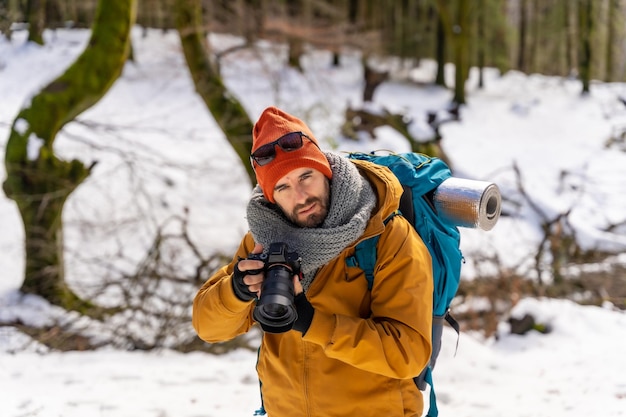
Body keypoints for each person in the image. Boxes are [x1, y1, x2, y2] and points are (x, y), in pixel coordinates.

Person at [192, 106, 434, 417]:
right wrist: (236, 291)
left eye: (306, 175)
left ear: (326, 171)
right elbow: (207, 326)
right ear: (271, 198)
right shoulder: (266, 237)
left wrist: (312, 323)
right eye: (283, 187)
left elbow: (408, 353)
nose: (301, 195)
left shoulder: (385, 235)